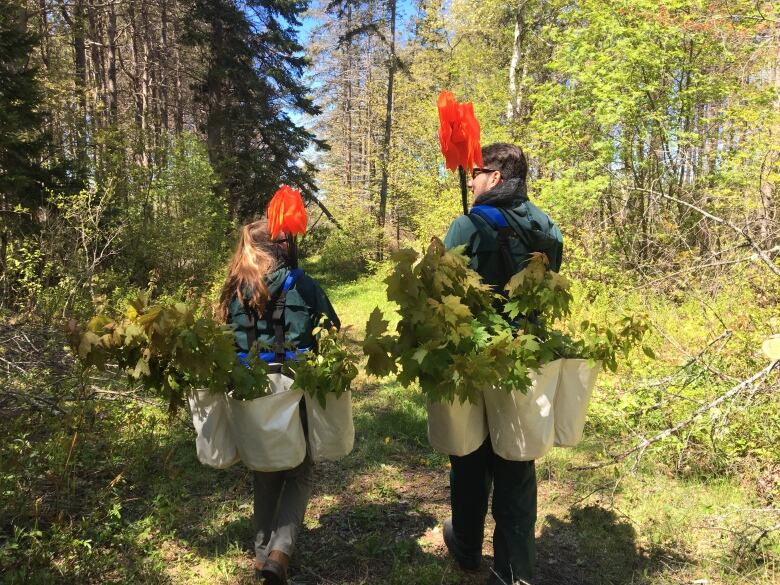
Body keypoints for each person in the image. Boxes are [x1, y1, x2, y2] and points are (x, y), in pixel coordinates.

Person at [441, 143, 563, 585]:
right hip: (525, 356)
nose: (470, 179)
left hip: (473, 359)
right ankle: (515, 572)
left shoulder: (466, 226)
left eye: (476, 172)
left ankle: (468, 548)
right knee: (516, 459)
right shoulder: (547, 226)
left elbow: (441, 292)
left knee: (469, 454)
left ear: (494, 177)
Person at [216, 218, 340, 585]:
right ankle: (280, 552)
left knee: (265, 467)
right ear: (278, 245)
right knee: (300, 468)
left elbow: (220, 340)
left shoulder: (233, 290)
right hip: (292, 386)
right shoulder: (300, 283)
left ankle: (261, 555)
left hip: (247, 387)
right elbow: (330, 327)